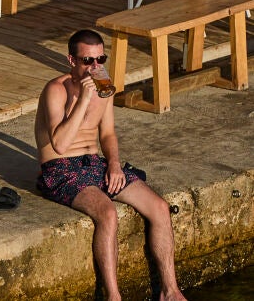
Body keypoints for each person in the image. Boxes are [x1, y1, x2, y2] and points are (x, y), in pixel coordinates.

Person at [35, 30, 187, 301]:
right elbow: (59, 144)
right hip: (60, 168)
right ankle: (113, 296)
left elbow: (107, 134)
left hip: (95, 163)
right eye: (87, 60)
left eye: (100, 59)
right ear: (72, 60)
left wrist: (114, 164)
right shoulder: (55, 90)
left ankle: (170, 292)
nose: (95, 67)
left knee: (160, 208)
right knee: (108, 213)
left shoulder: (104, 87)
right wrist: (84, 97)